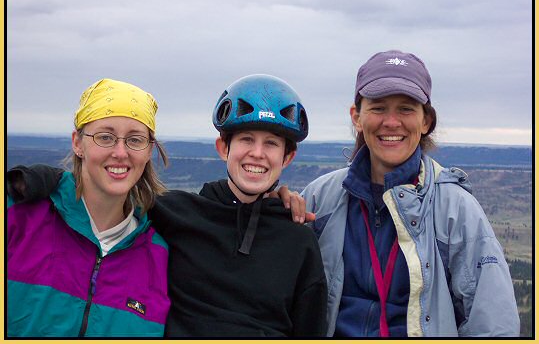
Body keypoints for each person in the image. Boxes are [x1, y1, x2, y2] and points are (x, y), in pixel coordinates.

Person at [7, 74, 328, 337]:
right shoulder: (176, 214)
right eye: (246, 139)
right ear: (222, 148)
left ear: (288, 157)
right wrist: (36, 180)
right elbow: (107, 191)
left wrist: (280, 204)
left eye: (271, 143)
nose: (257, 154)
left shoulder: (299, 242)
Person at [298, 50, 520, 337]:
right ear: (356, 116)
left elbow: (494, 324)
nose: (392, 122)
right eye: (378, 107)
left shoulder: (455, 210)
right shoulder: (321, 198)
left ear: (426, 120)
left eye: (406, 109)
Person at [7, 79, 171, 337]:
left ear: (149, 150)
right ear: (78, 143)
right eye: (105, 137)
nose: (120, 152)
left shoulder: (160, 255)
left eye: (135, 139)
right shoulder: (18, 218)